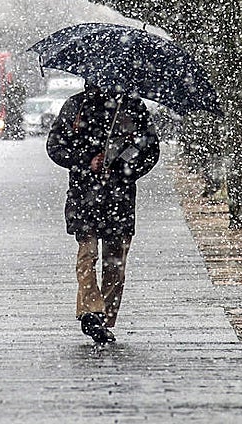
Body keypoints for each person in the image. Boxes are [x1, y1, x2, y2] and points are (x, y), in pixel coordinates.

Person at [46, 81, 159, 344]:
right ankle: (90, 310)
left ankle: (104, 317)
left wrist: (123, 169)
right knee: (88, 254)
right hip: (84, 195)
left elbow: (150, 150)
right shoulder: (76, 106)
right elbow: (56, 147)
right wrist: (87, 160)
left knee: (115, 262)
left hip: (119, 198)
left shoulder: (132, 107)